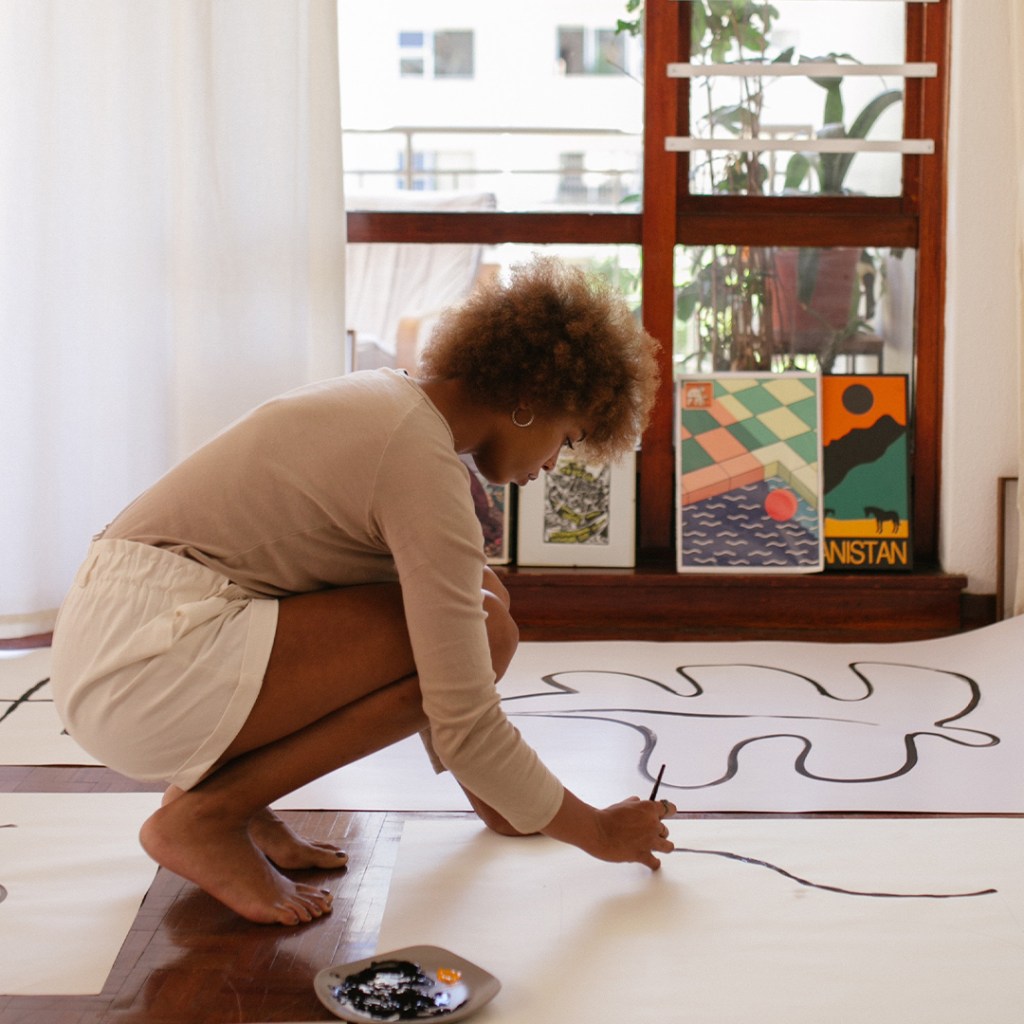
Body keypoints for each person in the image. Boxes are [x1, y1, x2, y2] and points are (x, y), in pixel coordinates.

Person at [50, 255, 674, 927]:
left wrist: (509, 804)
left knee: (478, 597)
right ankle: (208, 816)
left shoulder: (391, 406)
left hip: (127, 646)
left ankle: (234, 803)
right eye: (567, 438)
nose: (553, 464)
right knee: (482, 624)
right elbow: (462, 711)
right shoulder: (417, 462)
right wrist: (598, 833)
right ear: (530, 400)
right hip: (144, 673)